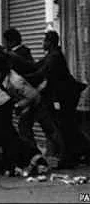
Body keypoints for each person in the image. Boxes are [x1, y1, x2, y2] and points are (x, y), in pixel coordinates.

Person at [25, 30, 88, 169]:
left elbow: (40, 73)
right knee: (67, 125)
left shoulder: (54, 56)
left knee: (66, 125)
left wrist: (24, 80)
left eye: (44, 40)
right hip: (64, 95)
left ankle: (70, 158)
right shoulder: (51, 55)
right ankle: (78, 152)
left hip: (67, 95)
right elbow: (36, 67)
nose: (42, 43)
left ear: (50, 42)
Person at [0, 55, 54, 174]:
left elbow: (33, 96)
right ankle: (34, 159)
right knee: (24, 132)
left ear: (3, 71)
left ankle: (38, 159)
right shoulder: (4, 80)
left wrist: (18, 106)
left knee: (32, 131)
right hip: (25, 105)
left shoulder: (15, 81)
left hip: (34, 104)